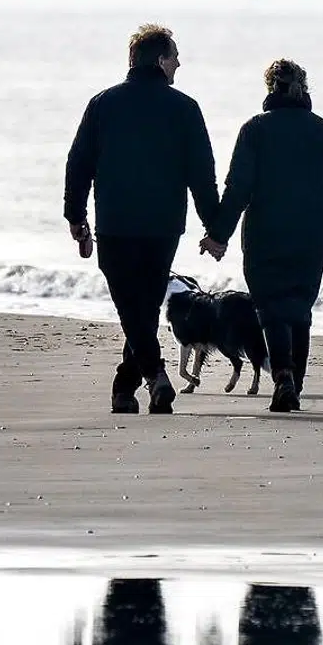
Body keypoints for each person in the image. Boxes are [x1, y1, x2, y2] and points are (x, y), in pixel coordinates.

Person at [64, 24, 220, 414]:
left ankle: (145, 380)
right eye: (175, 55)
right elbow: (201, 173)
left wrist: (75, 214)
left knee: (134, 309)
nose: (180, 62)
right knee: (144, 308)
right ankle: (134, 383)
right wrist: (215, 227)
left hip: (115, 223)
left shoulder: (103, 104)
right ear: (161, 60)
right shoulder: (185, 108)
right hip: (162, 226)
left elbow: (78, 163)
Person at [201, 59, 323, 413]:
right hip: (310, 233)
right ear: (304, 88)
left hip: (264, 233)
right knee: (299, 308)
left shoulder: (255, 130)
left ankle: (283, 376)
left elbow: (238, 188)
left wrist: (218, 234)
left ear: (269, 88)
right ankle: (295, 384)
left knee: (272, 309)